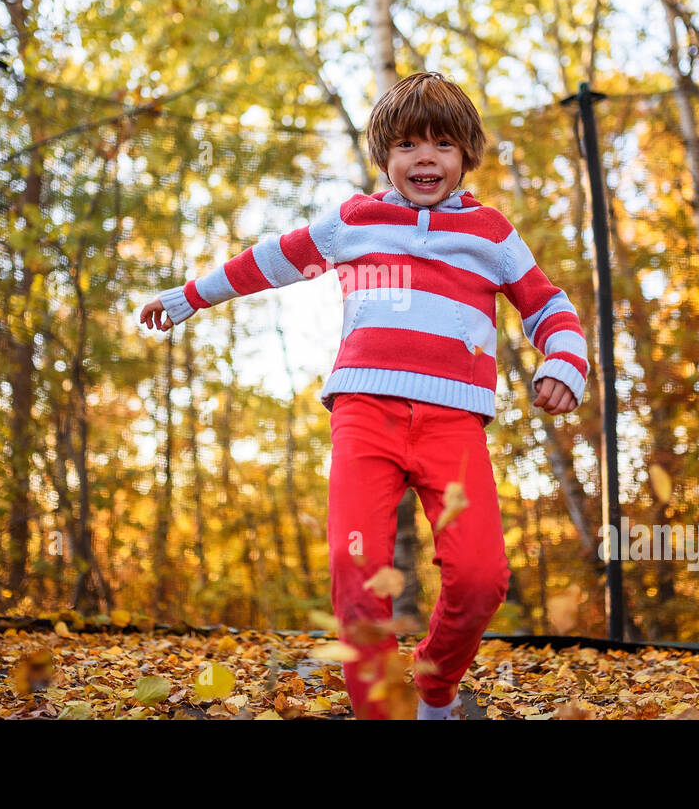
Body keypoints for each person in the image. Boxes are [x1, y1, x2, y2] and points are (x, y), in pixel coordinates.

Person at [140, 72, 588, 719]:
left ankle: (436, 689)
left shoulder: (490, 233)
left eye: (441, 143)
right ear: (385, 156)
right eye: (407, 144)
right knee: (358, 576)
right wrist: (187, 296)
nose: (425, 158)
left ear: (465, 154)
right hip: (365, 417)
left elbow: (548, 305)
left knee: (481, 575)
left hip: (453, 423)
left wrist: (565, 362)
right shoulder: (355, 219)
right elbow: (270, 258)